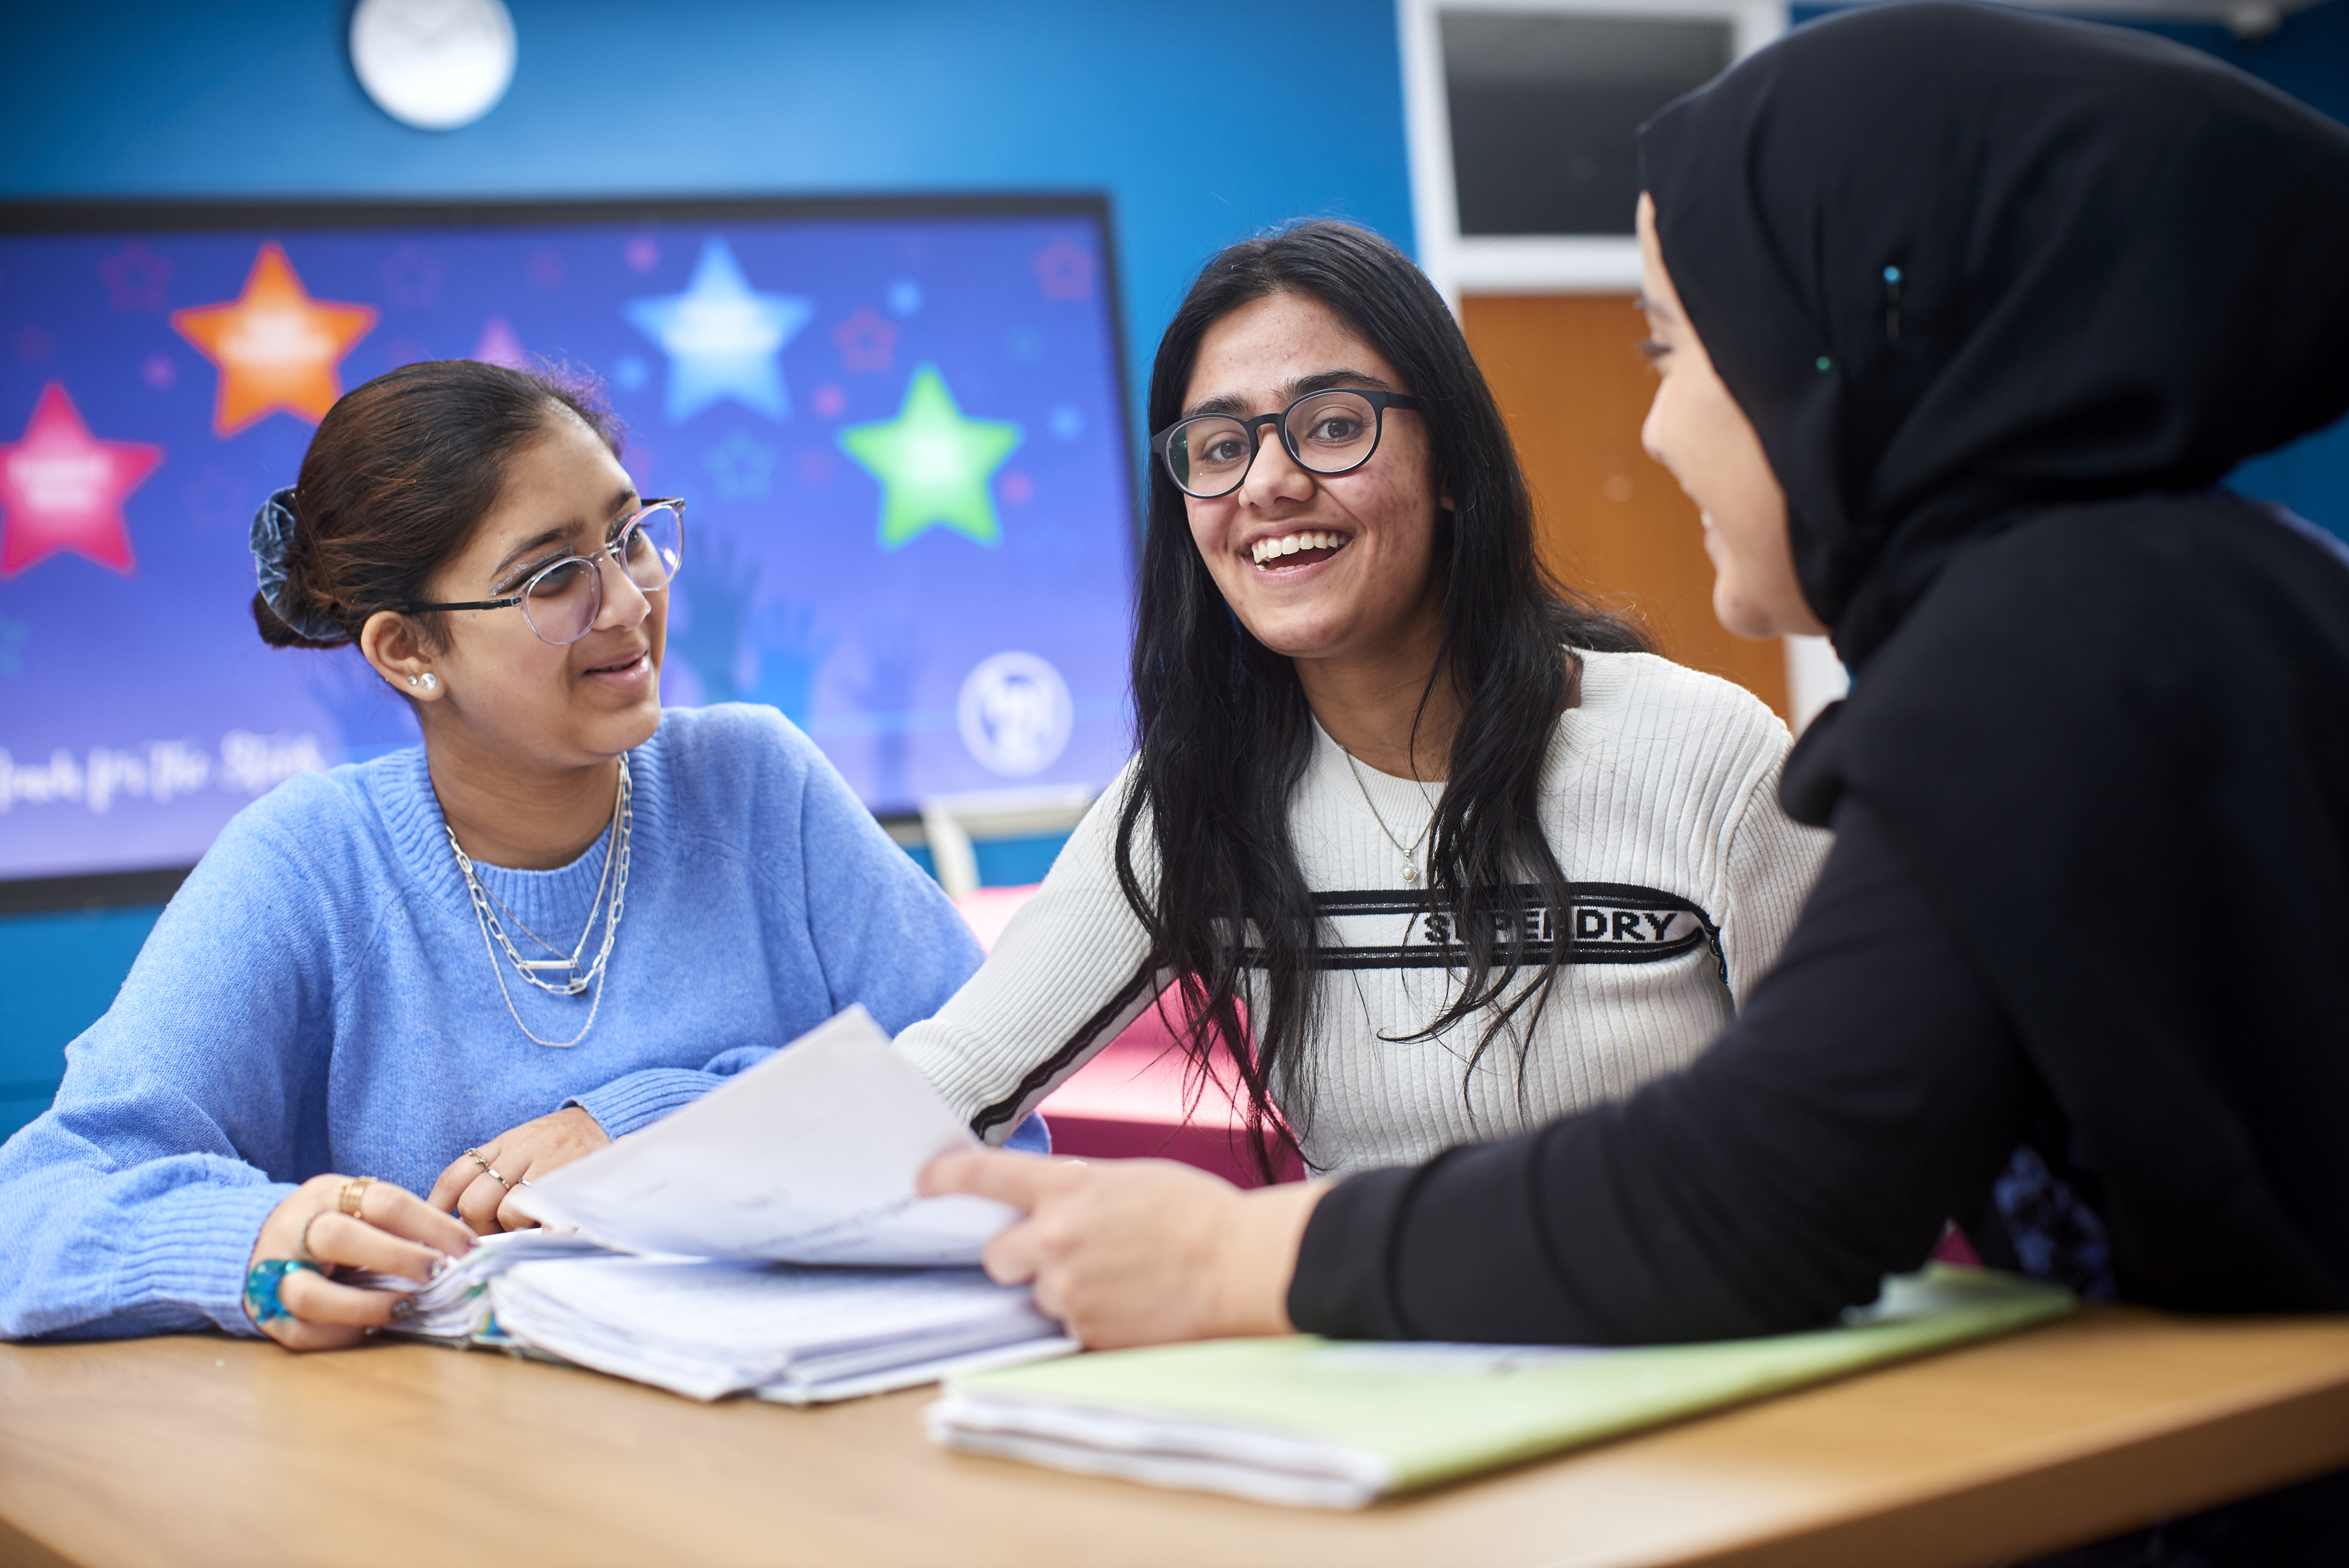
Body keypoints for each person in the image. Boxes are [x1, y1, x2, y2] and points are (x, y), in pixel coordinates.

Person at [923, 3, 2349, 1551]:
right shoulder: (2175, 599)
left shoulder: (2036, 659)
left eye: (1677, 344)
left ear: (1858, 343)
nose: (1657, 425)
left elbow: (1777, 1183)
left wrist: (1231, 1261)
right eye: (1215, 446)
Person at [0, 360, 1019, 1351]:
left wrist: (653, 1122)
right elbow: (38, 1205)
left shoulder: (757, 787)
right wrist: (248, 1242)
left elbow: (993, 1113)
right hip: (442, 1475)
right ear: (408, 650)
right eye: (552, 578)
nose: (626, 602)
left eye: (629, 538)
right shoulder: (311, 865)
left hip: (792, 1436)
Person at [897, 221, 1829, 1200]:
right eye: (1218, 446)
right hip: (1373, 1344)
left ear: (1454, 466)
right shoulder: (1193, 798)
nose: (1268, 484)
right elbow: (943, 1085)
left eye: (1334, 425)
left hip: (1692, 1335)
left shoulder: (1705, 755)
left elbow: (1849, 1133)